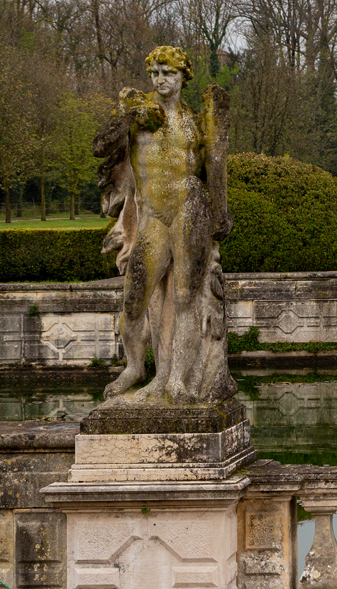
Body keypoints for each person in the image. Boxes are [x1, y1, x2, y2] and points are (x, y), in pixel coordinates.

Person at [95, 46, 234, 404]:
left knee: (186, 299)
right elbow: (100, 146)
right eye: (155, 73)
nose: (160, 80)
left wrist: (221, 210)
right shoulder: (139, 111)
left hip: (189, 207)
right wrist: (128, 116)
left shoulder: (195, 121)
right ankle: (135, 367)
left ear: (183, 76)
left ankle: (176, 381)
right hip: (153, 217)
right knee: (133, 301)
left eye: (168, 73)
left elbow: (214, 166)